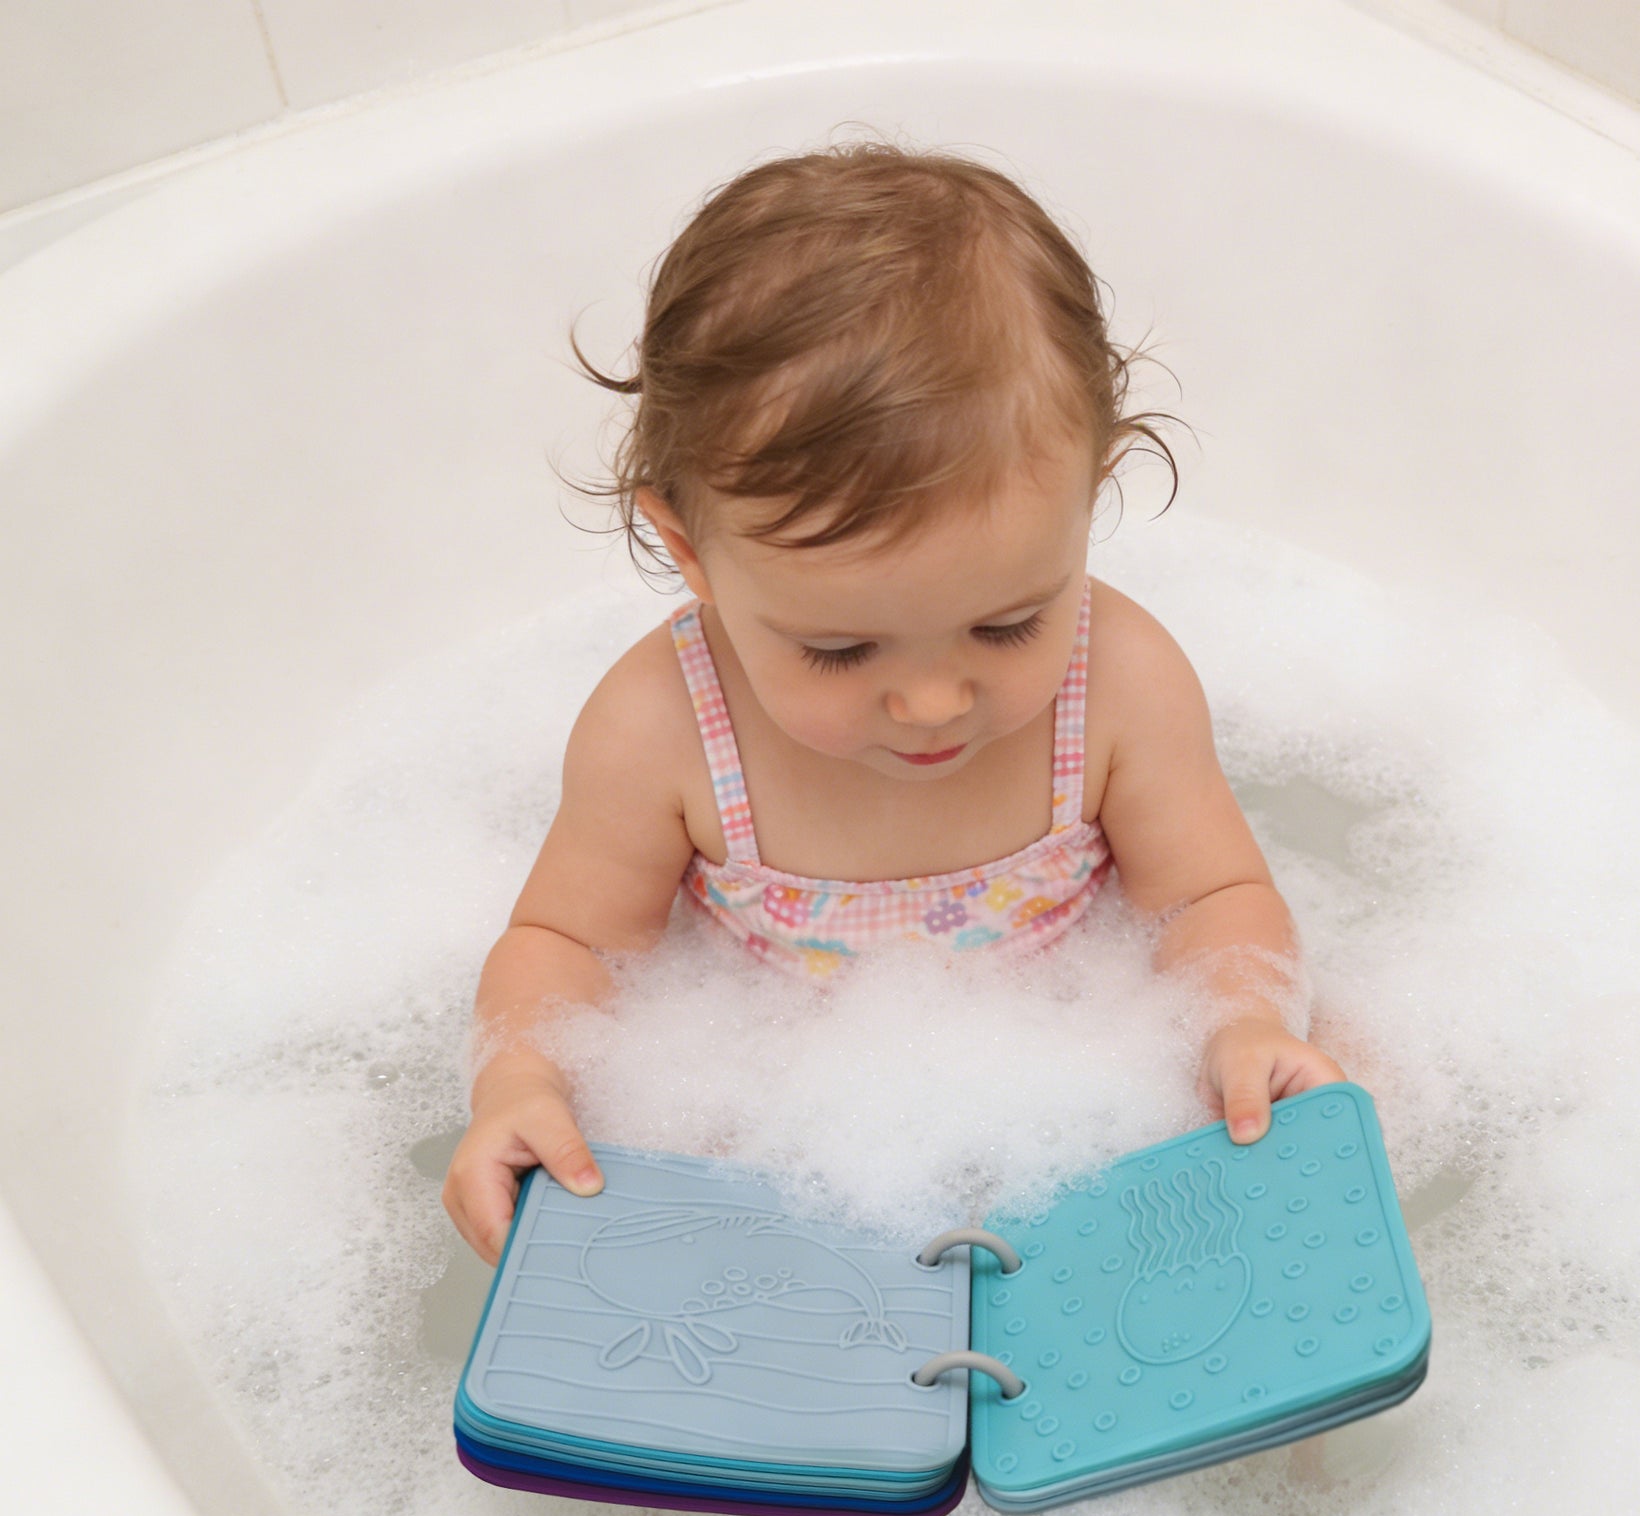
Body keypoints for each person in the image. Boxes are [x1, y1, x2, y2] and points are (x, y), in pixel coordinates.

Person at [442, 140, 1344, 1265]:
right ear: (691, 552)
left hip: (1082, 1106)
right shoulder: (660, 728)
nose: (930, 702)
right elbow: (567, 942)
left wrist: (1240, 1021)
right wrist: (523, 1080)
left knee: (1346, 1071)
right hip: (782, 1134)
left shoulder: (1120, 679)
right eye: (840, 649)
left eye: (1006, 626)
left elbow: (1210, 895)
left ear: (1091, 500)